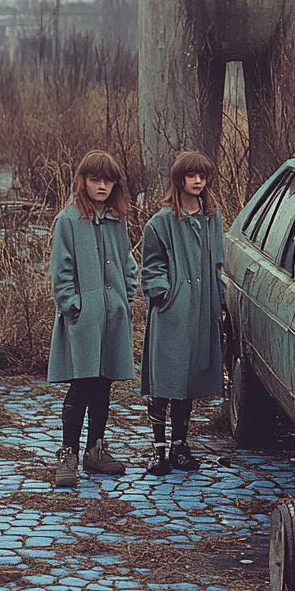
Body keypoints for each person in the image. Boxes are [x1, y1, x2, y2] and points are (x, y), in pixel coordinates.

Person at [48, 150, 137, 488]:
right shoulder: (69, 220)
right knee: (82, 381)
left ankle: (95, 451)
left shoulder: (118, 219)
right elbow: (61, 270)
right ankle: (68, 453)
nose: (102, 186)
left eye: (107, 180)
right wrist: (74, 305)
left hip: (112, 315)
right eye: (95, 179)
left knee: (104, 381)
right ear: (82, 181)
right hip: (83, 317)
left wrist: (124, 299)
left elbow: (127, 262)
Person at [140, 151, 226, 475]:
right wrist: (164, 294)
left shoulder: (211, 218)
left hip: (202, 309)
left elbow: (217, 265)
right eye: (192, 175)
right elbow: (151, 267)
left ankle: (180, 445)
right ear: (179, 179)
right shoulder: (160, 222)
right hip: (172, 311)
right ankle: (158, 448)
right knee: (165, 379)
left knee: (189, 379)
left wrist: (219, 307)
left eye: (202, 175)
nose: (198, 181)